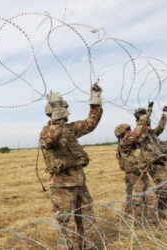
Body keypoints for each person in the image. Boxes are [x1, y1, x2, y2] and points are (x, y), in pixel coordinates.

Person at [40, 83, 103, 250]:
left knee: (88, 218)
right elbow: (52, 139)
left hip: (79, 182)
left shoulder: (71, 129)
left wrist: (95, 100)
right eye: (62, 110)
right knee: (66, 223)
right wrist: (57, 112)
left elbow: (90, 123)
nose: (66, 114)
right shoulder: (47, 132)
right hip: (62, 185)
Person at [115, 119, 158, 224]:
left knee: (151, 198)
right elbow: (136, 133)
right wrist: (142, 118)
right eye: (128, 130)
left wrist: (147, 114)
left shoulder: (134, 143)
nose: (130, 131)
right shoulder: (124, 143)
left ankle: (152, 222)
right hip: (132, 176)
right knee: (135, 201)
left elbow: (143, 133)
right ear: (123, 133)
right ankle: (132, 222)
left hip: (142, 175)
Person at [135, 103, 167, 213]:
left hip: (162, 163)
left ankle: (161, 209)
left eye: (150, 124)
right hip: (152, 164)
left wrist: (164, 114)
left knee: (165, 186)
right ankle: (156, 210)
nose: (149, 127)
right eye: (147, 125)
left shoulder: (153, 133)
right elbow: (142, 123)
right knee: (160, 187)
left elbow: (161, 126)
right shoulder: (141, 135)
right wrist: (149, 110)